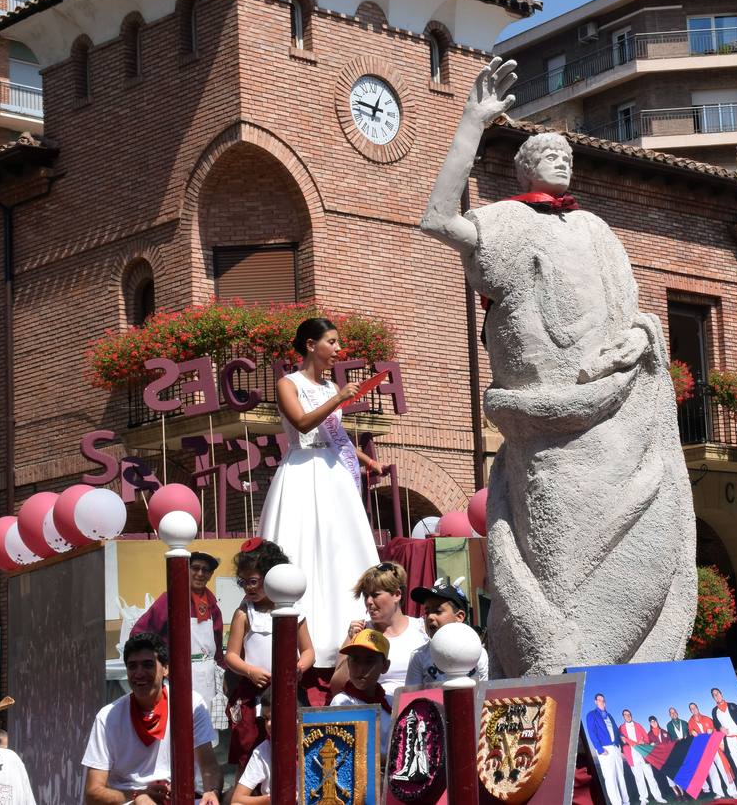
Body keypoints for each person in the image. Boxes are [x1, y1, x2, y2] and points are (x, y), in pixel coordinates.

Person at [421, 58, 697, 677]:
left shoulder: (597, 229)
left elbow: (631, 311)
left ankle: (622, 676)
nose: (562, 159)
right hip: (545, 427)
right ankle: (557, 670)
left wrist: (639, 339)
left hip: (617, 414)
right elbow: (439, 219)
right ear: (523, 167)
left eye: (567, 153)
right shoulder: (509, 223)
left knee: (648, 534)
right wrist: (472, 121)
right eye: (547, 153)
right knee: (556, 560)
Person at [258, 317, 383, 670]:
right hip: (302, 470)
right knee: (301, 546)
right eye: (332, 342)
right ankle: (299, 639)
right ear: (311, 345)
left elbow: (334, 437)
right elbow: (301, 423)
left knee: (339, 548)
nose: (338, 350)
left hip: (333, 473)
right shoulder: (288, 383)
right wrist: (340, 398)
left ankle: (348, 635)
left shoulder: (330, 387)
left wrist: (363, 459)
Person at [82, 632, 222, 804]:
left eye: (148, 665)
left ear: (166, 668)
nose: (139, 673)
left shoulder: (190, 703)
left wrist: (212, 792)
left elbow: (209, 764)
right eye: (132, 666)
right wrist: (138, 795)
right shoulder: (107, 716)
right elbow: (92, 792)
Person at [224, 538, 315, 774]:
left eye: (253, 582)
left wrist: (299, 667)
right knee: (250, 747)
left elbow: (309, 652)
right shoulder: (244, 613)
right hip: (254, 693)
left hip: (288, 692)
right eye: (243, 582)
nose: (248, 588)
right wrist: (250, 671)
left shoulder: (295, 610)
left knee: (293, 747)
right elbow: (231, 655)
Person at [131, 551, 226, 722]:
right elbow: (139, 633)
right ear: (186, 569)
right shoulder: (170, 599)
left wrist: (222, 673)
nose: (200, 574)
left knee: (203, 727)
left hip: (208, 679)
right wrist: (160, 663)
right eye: (195, 568)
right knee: (179, 724)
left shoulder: (212, 606)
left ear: (211, 575)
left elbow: (218, 646)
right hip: (178, 675)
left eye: (206, 570)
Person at [332, 562, 428, 698]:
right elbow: (337, 686)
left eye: (375, 595)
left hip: (417, 711)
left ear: (397, 594)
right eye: (366, 596)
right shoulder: (360, 632)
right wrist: (353, 644)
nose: (369, 602)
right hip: (376, 712)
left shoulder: (422, 629)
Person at [404, 578, 489, 685]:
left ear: (459, 616)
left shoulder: (479, 653)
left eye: (437, 611)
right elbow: (412, 698)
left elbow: (481, 694)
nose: (430, 617)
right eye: (427, 612)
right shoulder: (418, 657)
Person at [329, 629, 393, 751]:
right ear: (348, 663)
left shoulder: (391, 703)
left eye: (369, 661)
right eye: (355, 660)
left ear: (385, 666)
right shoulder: (342, 703)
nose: (361, 669)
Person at [227, 688, 273, 805]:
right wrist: (271, 799)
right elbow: (237, 800)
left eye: (274, 718)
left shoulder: (312, 744)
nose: (268, 724)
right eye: (266, 718)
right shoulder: (263, 750)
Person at [584, 694, 628, 805]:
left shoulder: (609, 716)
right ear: (595, 702)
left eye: (603, 700)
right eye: (599, 700)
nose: (602, 702)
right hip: (605, 750)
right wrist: (599, 748)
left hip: (615, 748)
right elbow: (592, 733)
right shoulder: (591, 715)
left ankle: (626, 802)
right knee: (610, 778)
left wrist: (619, 743)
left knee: (621, 777)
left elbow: (616, 731)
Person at [688, 702, 735, 800]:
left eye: (694, 708)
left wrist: (720, 742)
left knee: (723, 767)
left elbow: (717, 731)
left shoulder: (707, 719)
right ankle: (719, 792)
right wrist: (692, 732)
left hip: (714, 746)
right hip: (703, 749)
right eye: (691, 709)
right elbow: (691, 733)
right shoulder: (690, 722)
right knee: (712, 771)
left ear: (697, 708)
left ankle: (732, 791)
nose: (694, 710)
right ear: (690, 711)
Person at [618, 708, 664, 804]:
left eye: (629, 714)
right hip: (632, 756)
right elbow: (621, 743)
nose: (628, 716)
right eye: (625, 715)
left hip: (643, 754)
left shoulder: (638, 725)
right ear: (623, 717)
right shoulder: (621, 728)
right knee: (639, 779)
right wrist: (624, 745)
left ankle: (658, 796)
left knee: (650, 777)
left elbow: (646, 738)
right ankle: (643, 799)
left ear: (631, 715)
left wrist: (644, 741)